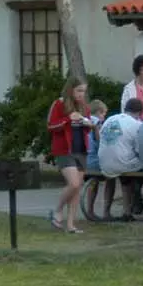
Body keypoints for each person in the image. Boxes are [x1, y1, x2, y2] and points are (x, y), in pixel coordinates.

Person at [46, 76, 93, 233]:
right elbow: (51, 126)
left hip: (81, 149)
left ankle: (71, 225)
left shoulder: (84, 107)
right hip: (65, 150)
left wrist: (87, 124)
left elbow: (86, 127)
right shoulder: (59, 104)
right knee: (73, 183)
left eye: (83, 91)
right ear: (70, 89)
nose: (81, 94)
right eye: (79, 90)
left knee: (77, 188)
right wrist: (67, 119)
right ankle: (57, 210)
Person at [97, 98, 143, 220]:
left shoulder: (111, 119)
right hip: (122, 164)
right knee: (132, 174)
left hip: (103, 162)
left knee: (110, 177)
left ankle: (106, 212)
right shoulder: (137, 124)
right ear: (140, 112)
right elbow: (139, 151)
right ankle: (127, 211)